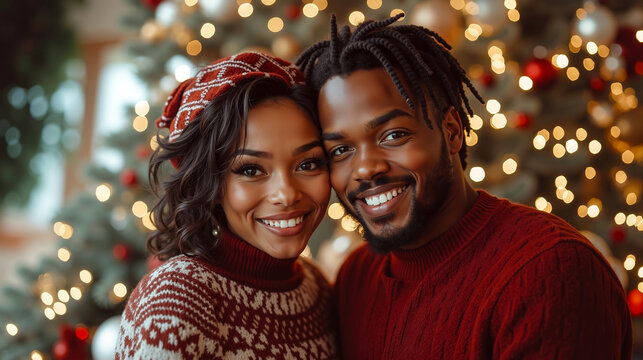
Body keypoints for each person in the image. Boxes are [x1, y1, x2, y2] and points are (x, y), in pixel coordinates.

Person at [297, 14, 632, 359]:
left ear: (453, 131)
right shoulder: (357, 277)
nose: (366, 168)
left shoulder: (550, 271)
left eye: (393, 135)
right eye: (340, 150)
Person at [116, 52, 338, 359]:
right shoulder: (175, 300)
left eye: (309, 163)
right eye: (251, 170)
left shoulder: (318, 290)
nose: (286, 194)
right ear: (212, 183)